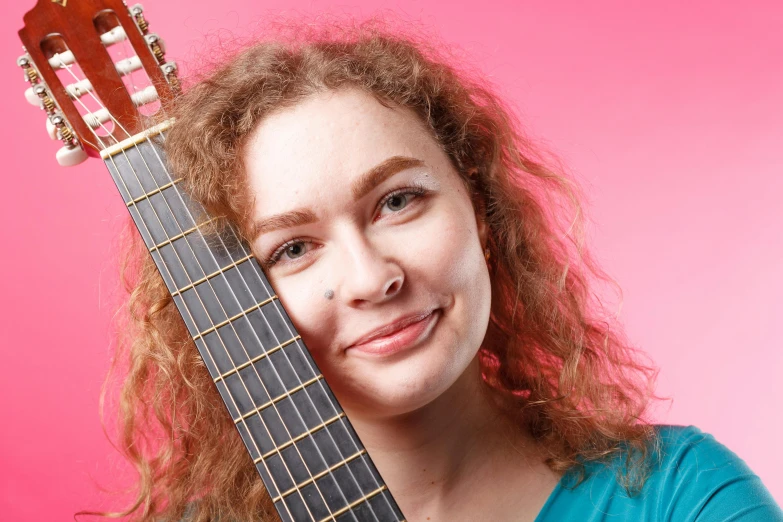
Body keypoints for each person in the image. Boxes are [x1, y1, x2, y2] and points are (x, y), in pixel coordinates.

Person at [108, 21, 782, 522]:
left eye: (398, 202)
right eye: (291, 249)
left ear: (481, 214)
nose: (373, 279)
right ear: (229, 300)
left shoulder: (682, 498)